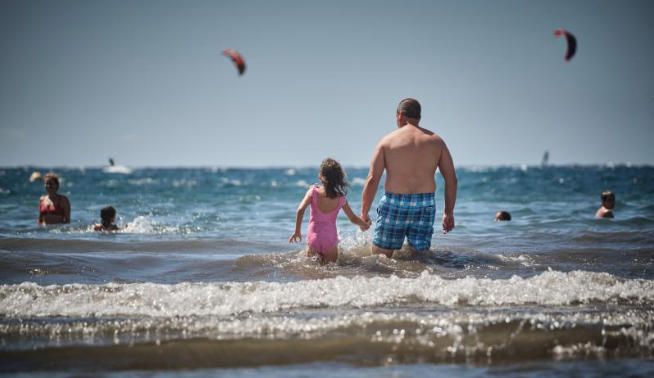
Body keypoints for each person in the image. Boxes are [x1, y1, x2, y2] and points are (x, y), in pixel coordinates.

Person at [360, 98, 457, 258]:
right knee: (420, 259)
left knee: (380, 259)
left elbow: (372, 179)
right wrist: (448, 212)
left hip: (394, 203)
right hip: (425, 204)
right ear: (419, 117)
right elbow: (451, 179)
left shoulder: (387, 141)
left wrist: (364, 213)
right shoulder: (436, 141)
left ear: (399, 115)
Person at [289, 158, 370, 263]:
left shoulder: (313, 192)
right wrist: (364, 224)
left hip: (314, 238)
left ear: (321, 176)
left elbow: (300, 210)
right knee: (331, 271)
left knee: (311, 271)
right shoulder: (340, 197)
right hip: (330, 240)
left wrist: (297, 232)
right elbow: (353, 218)